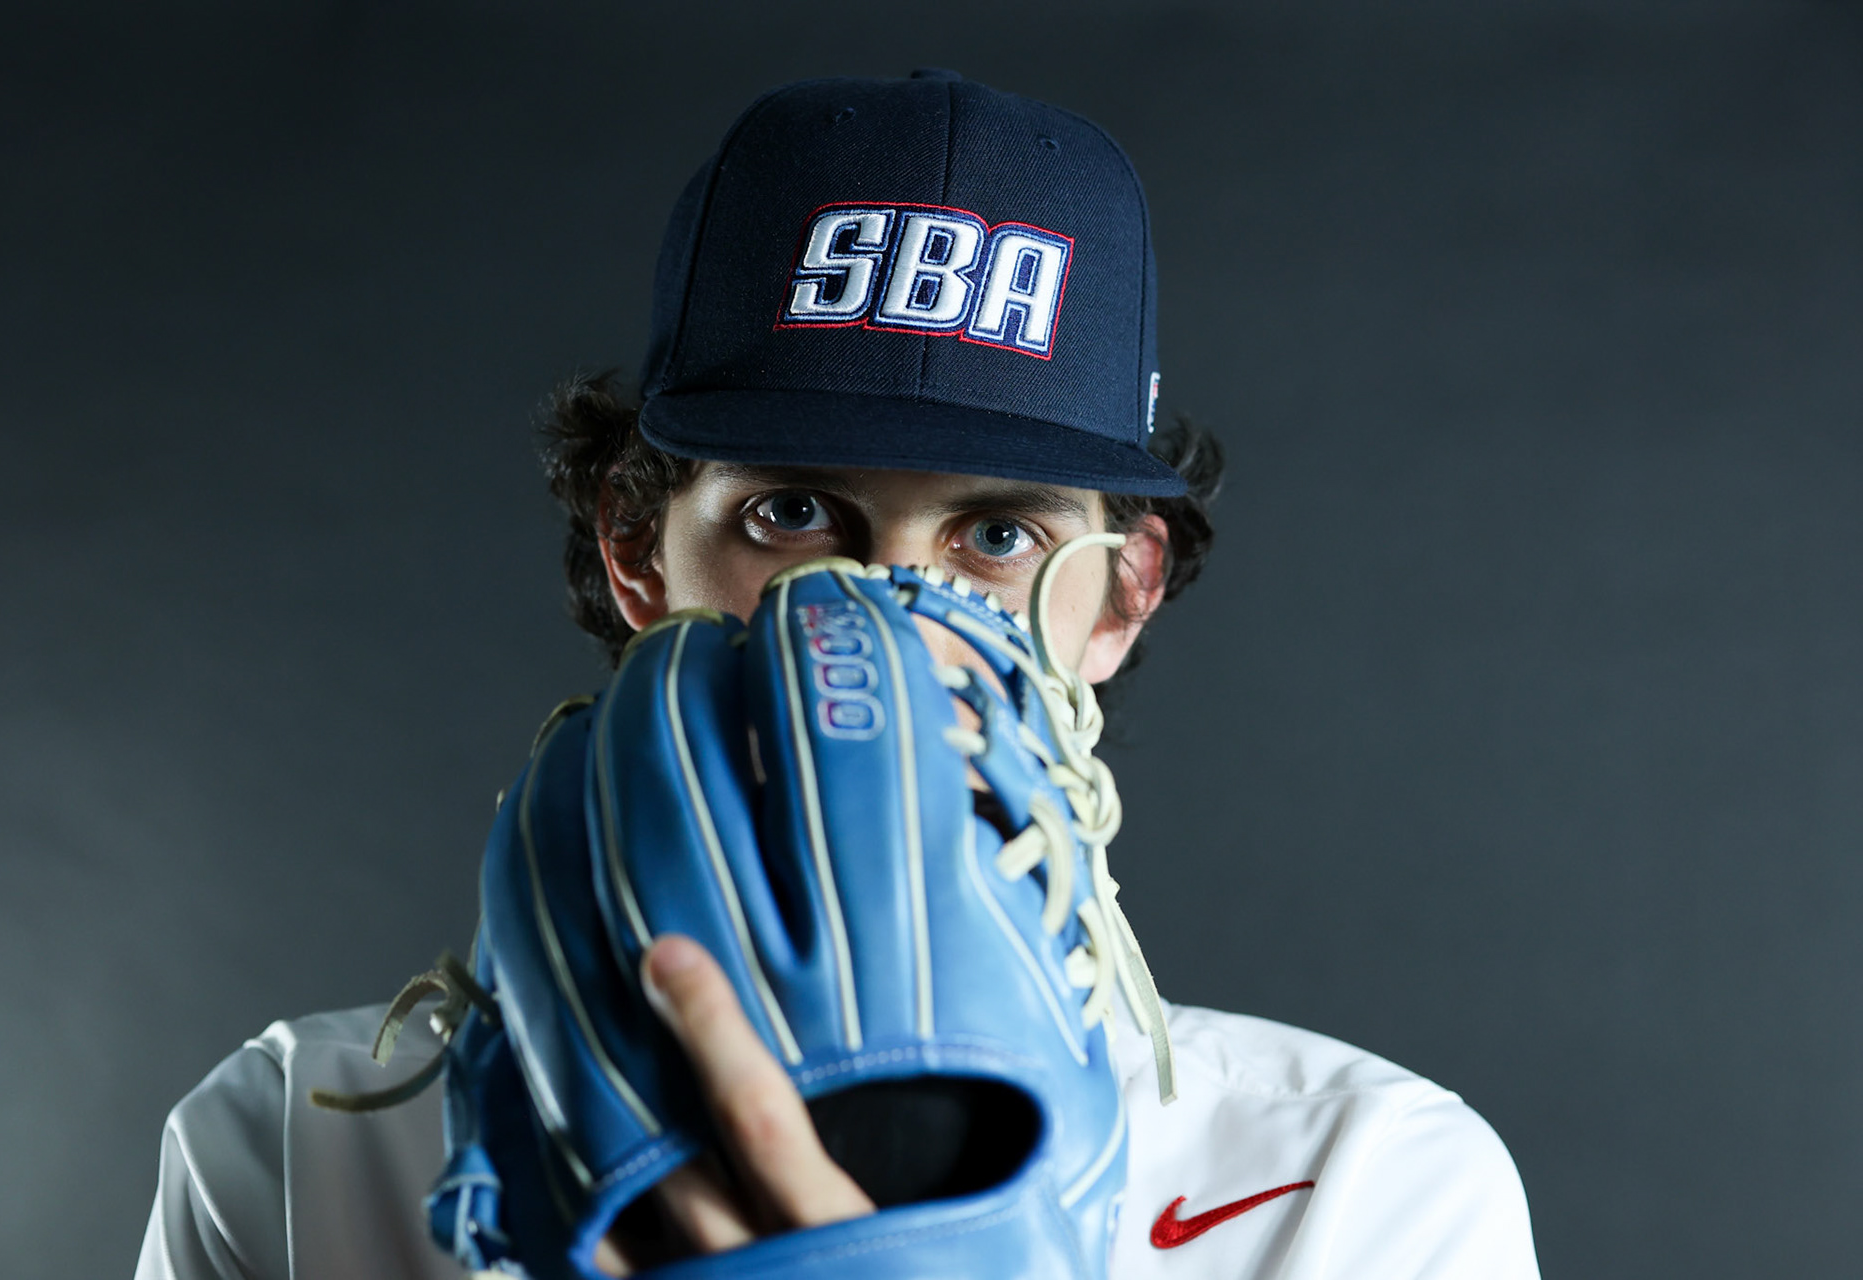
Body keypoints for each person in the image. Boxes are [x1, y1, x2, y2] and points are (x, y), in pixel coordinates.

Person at [135, 70, 1540, 1279]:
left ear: (1122, 592)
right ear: (636, 550)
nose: (877, 614)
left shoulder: (1360, 1188)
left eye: (997, 533)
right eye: (794, 515)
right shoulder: (299, 1147)